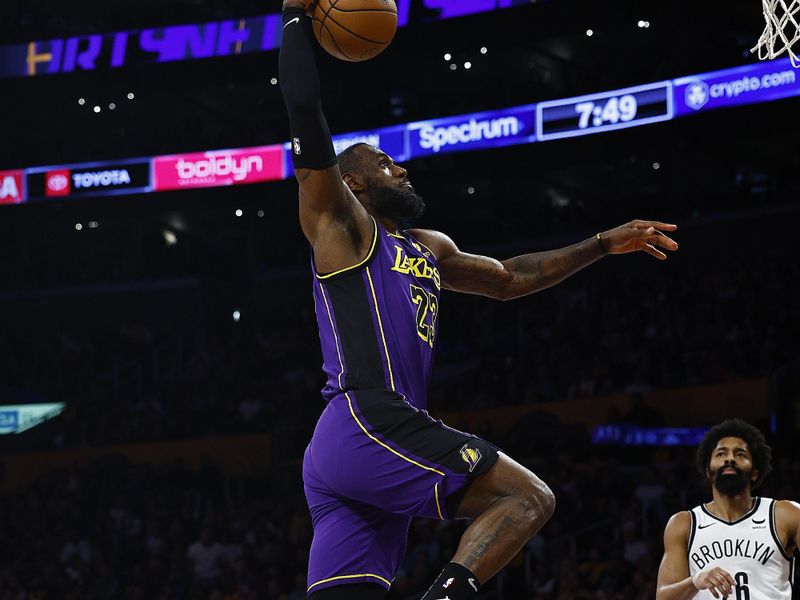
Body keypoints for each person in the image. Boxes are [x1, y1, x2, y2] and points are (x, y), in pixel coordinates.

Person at [278, 2, 679, 598]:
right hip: (369, 419)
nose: (403, 168)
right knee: (528, 498)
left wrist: (601, 243)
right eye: (386, 164)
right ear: (354, 182)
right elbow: (305, 113)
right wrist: (292, 18)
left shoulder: (426, 246)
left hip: (351, 448)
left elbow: (512, 277)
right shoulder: (343, 224)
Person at [656, 419, 800, 599]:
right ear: (708, 470)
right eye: (721, 453)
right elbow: (663, 597)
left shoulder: (785, 515)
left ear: (755, 472)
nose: (730, 458)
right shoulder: (684, 524)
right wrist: (695, 580)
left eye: (740, 454)